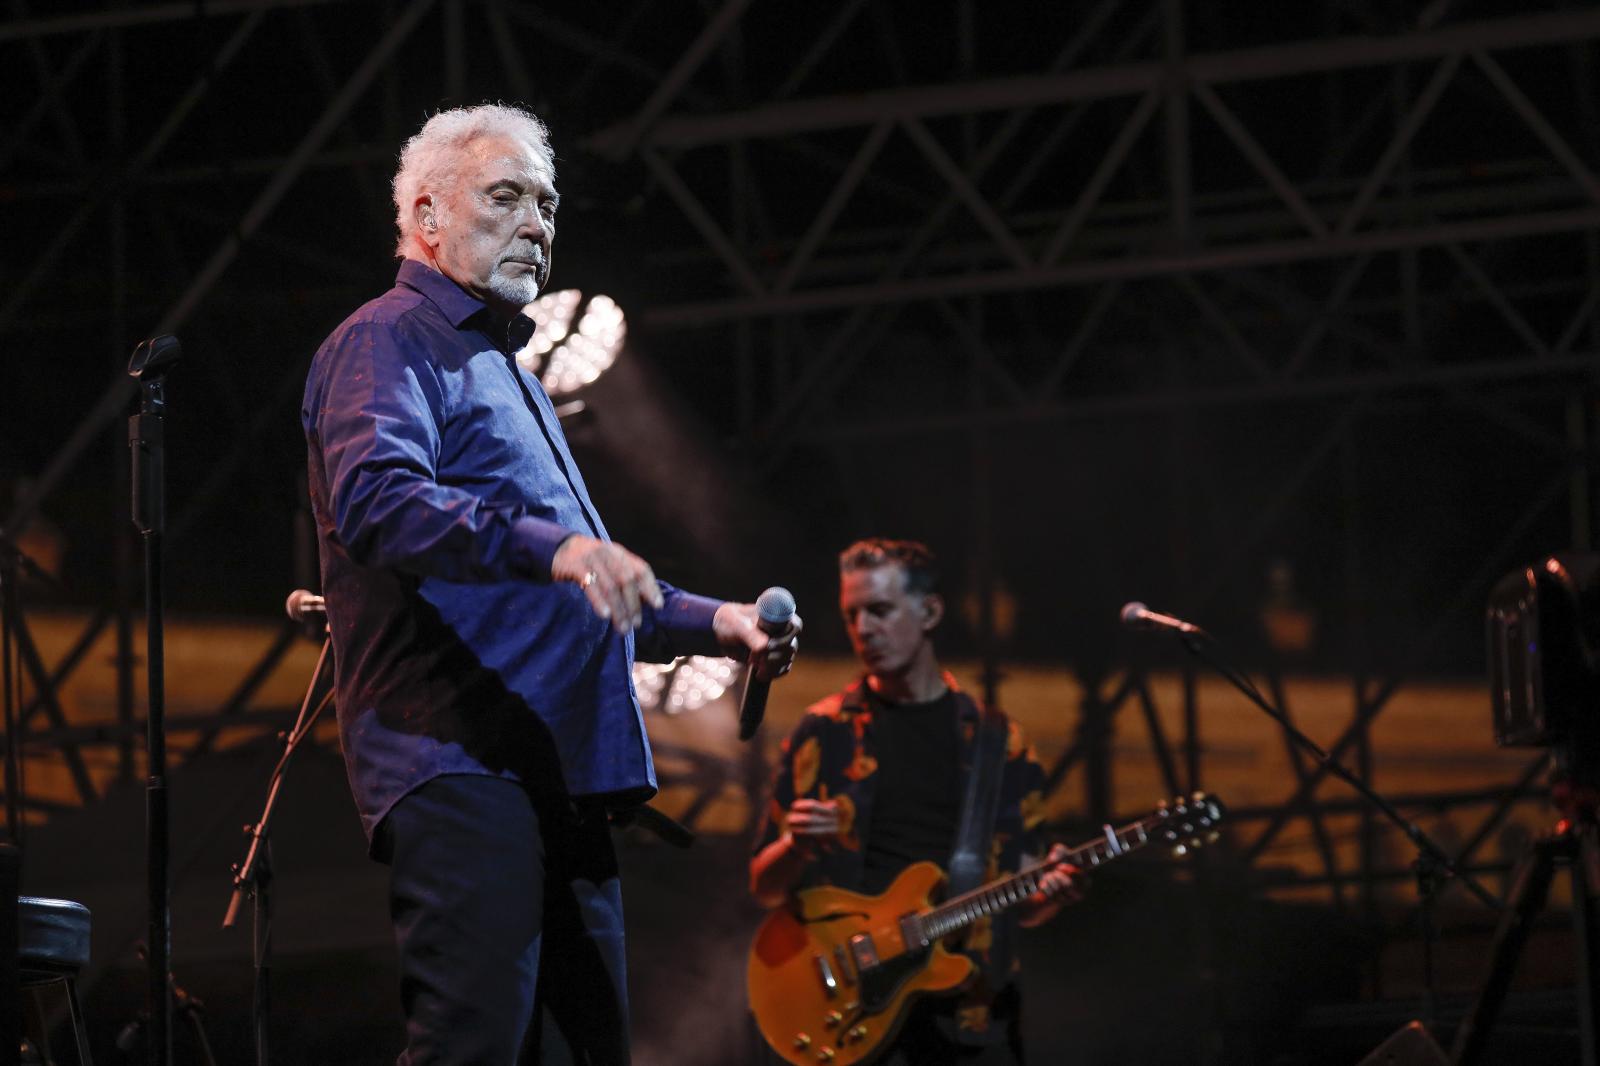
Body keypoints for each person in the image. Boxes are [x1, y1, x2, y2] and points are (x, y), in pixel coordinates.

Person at [301, 103, 799, 1065]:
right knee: (472, 1046)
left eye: (547, 201)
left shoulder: (510, 368)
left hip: (555, 776)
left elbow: (589, 588)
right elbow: (377, 501)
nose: (537, 222)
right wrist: (557, 546)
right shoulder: (388, 339)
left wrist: (718, 622)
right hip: (457, 760)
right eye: (507, 196)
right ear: (427, 213)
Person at [750, 539, 1074, 1065]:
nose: (863, 628)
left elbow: (1026, 891)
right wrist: (796, 845)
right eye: (852, 614)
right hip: (851, 1010)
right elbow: (764, 884)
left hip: (967, 1014)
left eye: (879, 610)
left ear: (930, 611)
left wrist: (1054, 891)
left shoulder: (999, 742)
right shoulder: (823, 731)